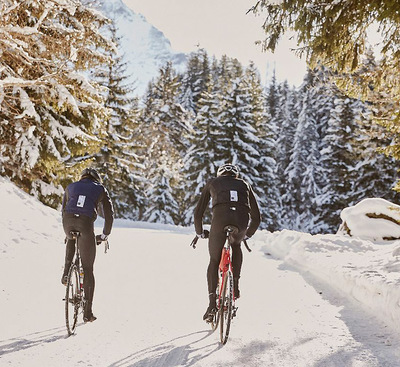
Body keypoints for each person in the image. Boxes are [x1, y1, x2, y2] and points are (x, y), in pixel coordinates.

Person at [194, 163, 261, 322]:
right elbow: (257, 218)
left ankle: (212, 304)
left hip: (220, 220)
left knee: (214, 260)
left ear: (220, 174)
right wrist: (247, 235)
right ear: (236, 175)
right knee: (236, 245)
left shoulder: (213, 182)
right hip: (241, 222)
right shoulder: (245, 184)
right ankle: (235, 286)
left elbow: (198, 213)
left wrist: (199, 232)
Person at [61, 168, 114, 322]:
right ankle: (87, 313)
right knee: (88, 269)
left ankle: (66, 273)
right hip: (85, 224)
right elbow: (109, 215)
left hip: (68, 222)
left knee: (71, 238)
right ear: (96, 179)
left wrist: (67, 231)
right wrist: (104, 235)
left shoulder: (71, 186)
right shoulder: (100, 188)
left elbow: (63, 209)